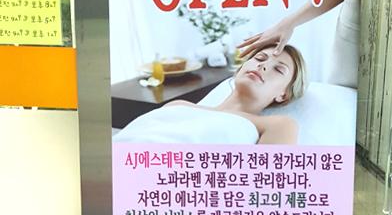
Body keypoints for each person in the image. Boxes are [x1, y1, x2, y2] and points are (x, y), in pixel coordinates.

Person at [113, 43, 307, 145]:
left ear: (284, 95)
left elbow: (267, 189)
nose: (263, 66)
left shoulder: (276, 125)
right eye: (259, 58)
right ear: (240, 68)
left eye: (278, 70)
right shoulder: (178, 106)